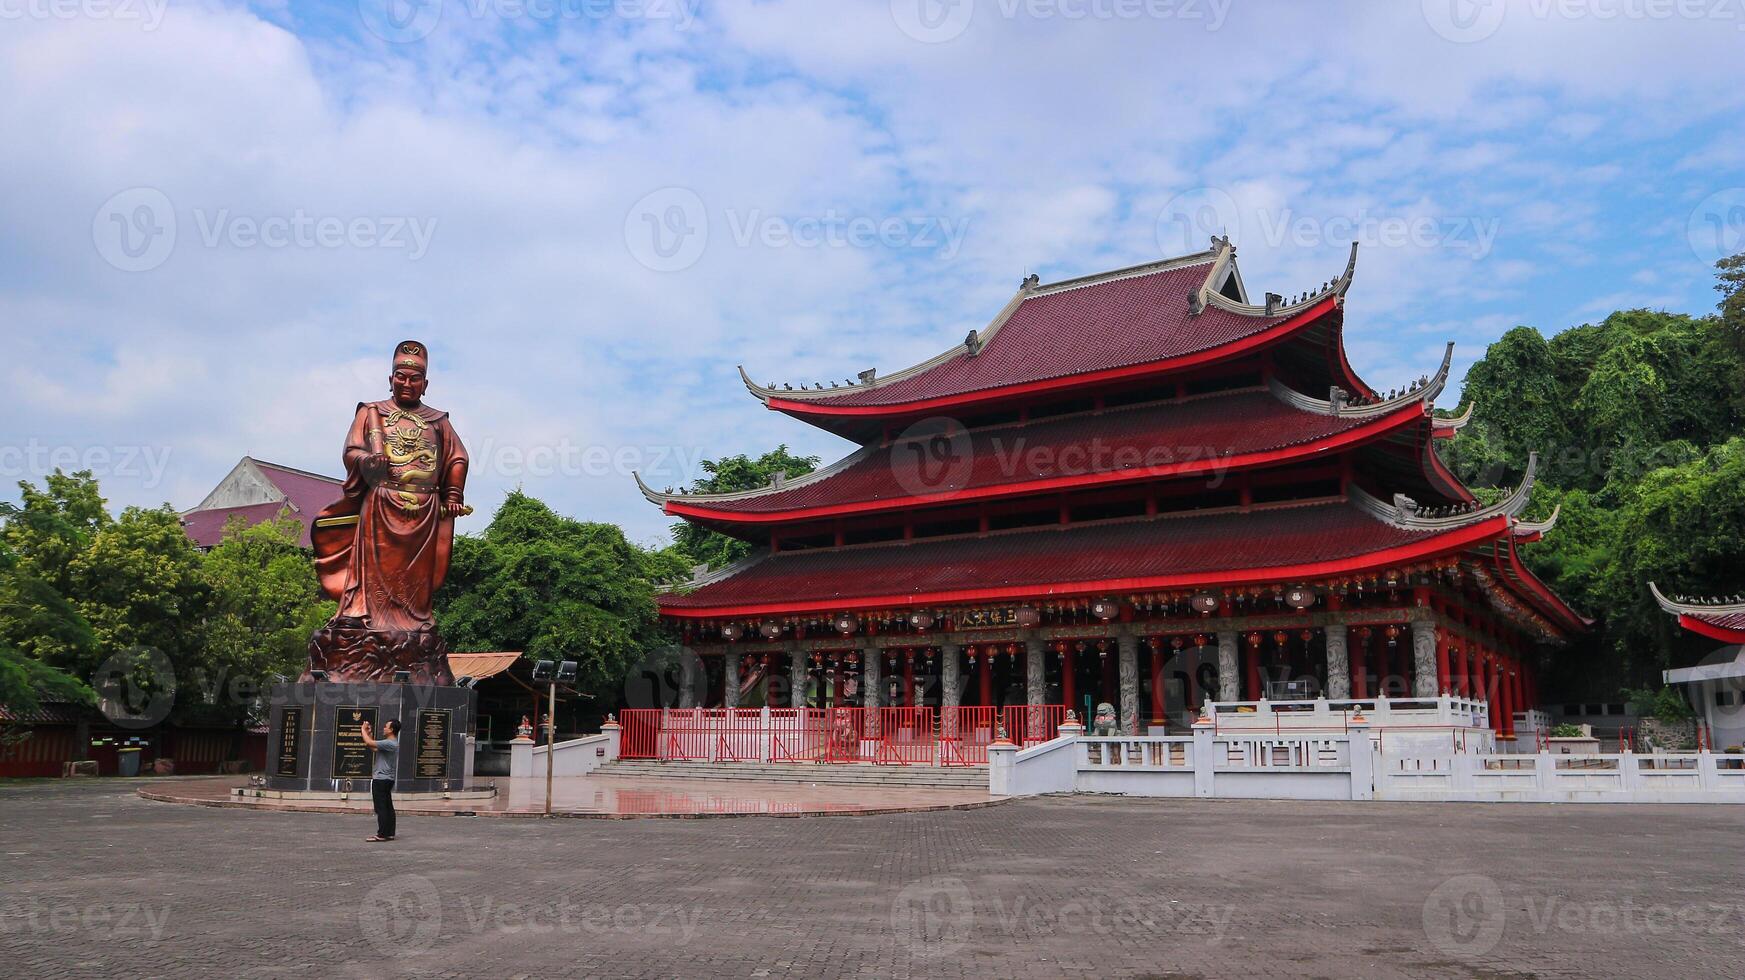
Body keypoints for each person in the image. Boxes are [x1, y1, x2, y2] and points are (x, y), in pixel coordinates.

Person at [360, 719, 401, 842]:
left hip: (381, 779)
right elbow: (373, 747)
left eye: (386, 726)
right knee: (387, 806)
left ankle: (382, 834)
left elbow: (368, 742)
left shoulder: (390, 743)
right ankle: (389, 833)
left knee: (381, 807)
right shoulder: (390, 743)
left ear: (391, 730)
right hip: (387, 779)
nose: (384, 728)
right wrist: (369, 733)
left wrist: (362, 730)